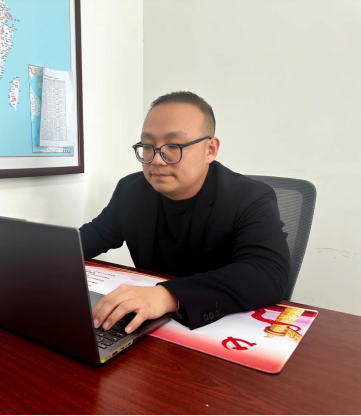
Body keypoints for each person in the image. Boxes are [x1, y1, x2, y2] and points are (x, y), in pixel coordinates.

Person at [79, 91, 290, 333]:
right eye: (148, 146)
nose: (157, 160)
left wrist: (169, 295)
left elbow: (268, 273)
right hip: (145, 326)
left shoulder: (250, 197)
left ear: (210, 149)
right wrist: (45, 255)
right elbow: (92, 237)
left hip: (217, 327)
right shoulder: (131, 190)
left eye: (173, 146)